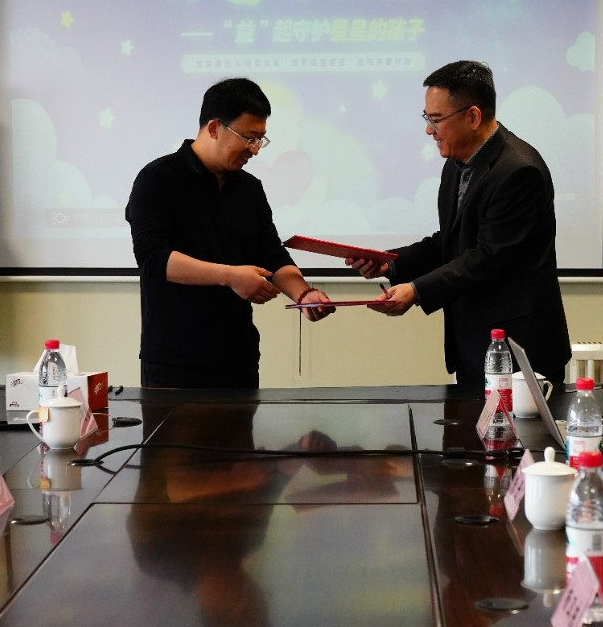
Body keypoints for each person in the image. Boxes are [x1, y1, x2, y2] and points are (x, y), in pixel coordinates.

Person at [349, 60, 570, 390]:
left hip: (517, 348)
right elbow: (451, 240)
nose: (429, 130)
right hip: (474, 344)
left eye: (436, 119)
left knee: (518, 427)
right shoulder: (457, 163)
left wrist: (416, 290)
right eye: (427, 118)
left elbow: (487, 258)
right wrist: (391, 263)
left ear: (473, 117)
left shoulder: (519, 171)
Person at [126, 77, 332, 388]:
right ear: (214, 128)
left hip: (238, 358)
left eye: (260, 140)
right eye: (248, 138)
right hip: (176, 360)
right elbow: (153, 258)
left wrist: (304, 294)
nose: (255, 150)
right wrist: (230, 276)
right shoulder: (158, 179)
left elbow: (271, 252)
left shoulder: (250, 188)